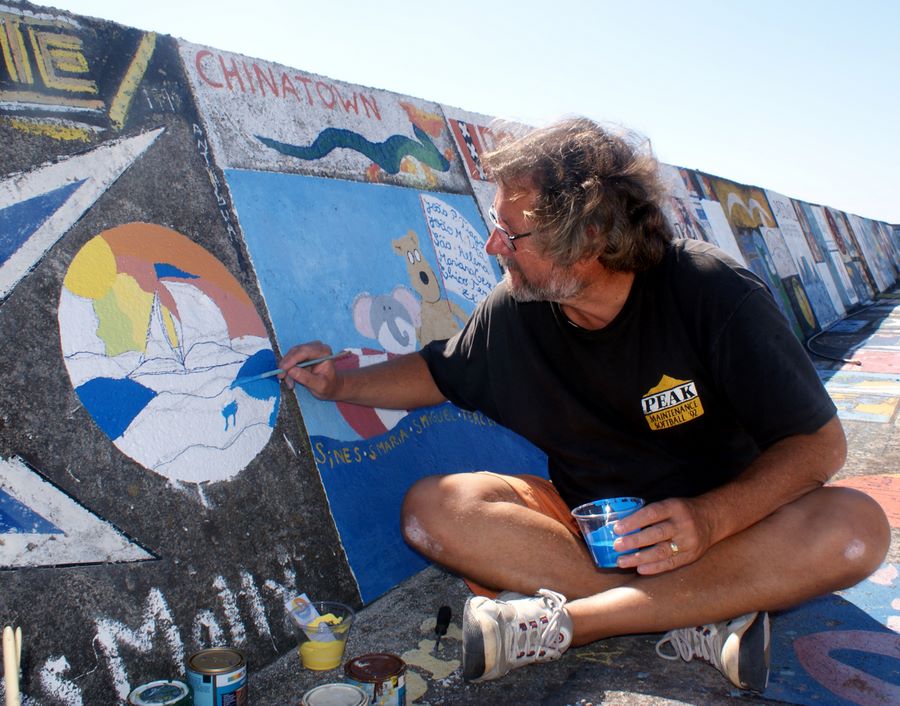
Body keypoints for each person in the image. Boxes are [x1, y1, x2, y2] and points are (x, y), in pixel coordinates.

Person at [279, 117, 890, 692]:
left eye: (512, 232)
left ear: (590, 235)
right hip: (592, 536)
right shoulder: (515, 312)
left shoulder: (710, 290)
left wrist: (710, 520)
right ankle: (700, 612)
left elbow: (819, 447)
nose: (493, 245)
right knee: (433, 509)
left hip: (735, 529)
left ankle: (578, 621)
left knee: (857, 529)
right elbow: (439, 372)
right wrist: (340, 385)